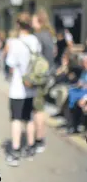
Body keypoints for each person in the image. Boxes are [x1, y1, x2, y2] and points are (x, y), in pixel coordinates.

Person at [5, 12, 41, 166]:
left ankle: (15, 150)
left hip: (18, 88)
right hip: (32, 86)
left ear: (18, 24)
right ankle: (31, 147)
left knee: (16, 119)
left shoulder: (16, 42)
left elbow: (10, 64)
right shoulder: (35, 41)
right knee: (29, 117)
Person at [31, 8, 56, 153]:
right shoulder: (49, 35)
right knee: (40, 109)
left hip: (39, 78)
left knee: (38, 110)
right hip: (47, 76)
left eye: (34, 21)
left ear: (39, 21)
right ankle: (38, 138)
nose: (32, 23)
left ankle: (39, 140)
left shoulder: (39, 37)